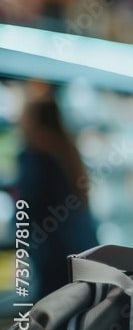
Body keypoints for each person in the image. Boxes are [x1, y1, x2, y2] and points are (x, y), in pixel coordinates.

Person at [15, 95, 99, 298]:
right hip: (80, 248)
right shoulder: (67, 149)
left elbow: (27, 206)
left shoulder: (35, 155)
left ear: (32, 120)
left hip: (52, 254)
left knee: (48, 314)